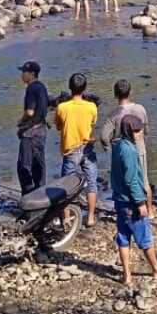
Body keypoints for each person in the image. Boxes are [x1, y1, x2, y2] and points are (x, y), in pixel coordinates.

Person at [111, 115, 157, 286]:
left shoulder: (117, 145)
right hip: (131, 202)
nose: (140, 133)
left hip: (119, 199)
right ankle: (156, 267)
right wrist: (141, 203)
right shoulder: (130, 150)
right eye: (136, 131)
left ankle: (127, 276)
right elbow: (131, 180)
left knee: (123, 237)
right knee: (145, 237)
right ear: (128, 131)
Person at [101, 79, 153, 217]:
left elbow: (104, 136)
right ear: (130, 92)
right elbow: (146, 129)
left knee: (124, 181)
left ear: (115, 94)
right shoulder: (141, 109)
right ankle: (150, 210)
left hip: (121, 150)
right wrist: (142, 141)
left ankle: (128, 209)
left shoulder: (114, 114)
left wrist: (109, 148)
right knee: (144, 180)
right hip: (140, 148)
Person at [55, 73, 98, 227]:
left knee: (66, 186)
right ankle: (91, 217)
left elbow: (59, 126)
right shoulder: (92, 107)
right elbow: (92, 124)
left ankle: (67, 219)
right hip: (87, 147)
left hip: (70, 150)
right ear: (84, 88)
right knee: (92, 182)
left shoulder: (62, 107)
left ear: (70, 88)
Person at [16, 60, 49, 195]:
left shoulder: (31, 88)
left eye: (24, 72)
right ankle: (41, 193)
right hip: (41, 130)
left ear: (32, 74)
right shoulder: (42, 87)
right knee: (39, 166)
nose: (22, 75)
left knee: (24, 166)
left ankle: (28, 196)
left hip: (31, 133)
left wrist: (20, 122)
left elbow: (29, 112)